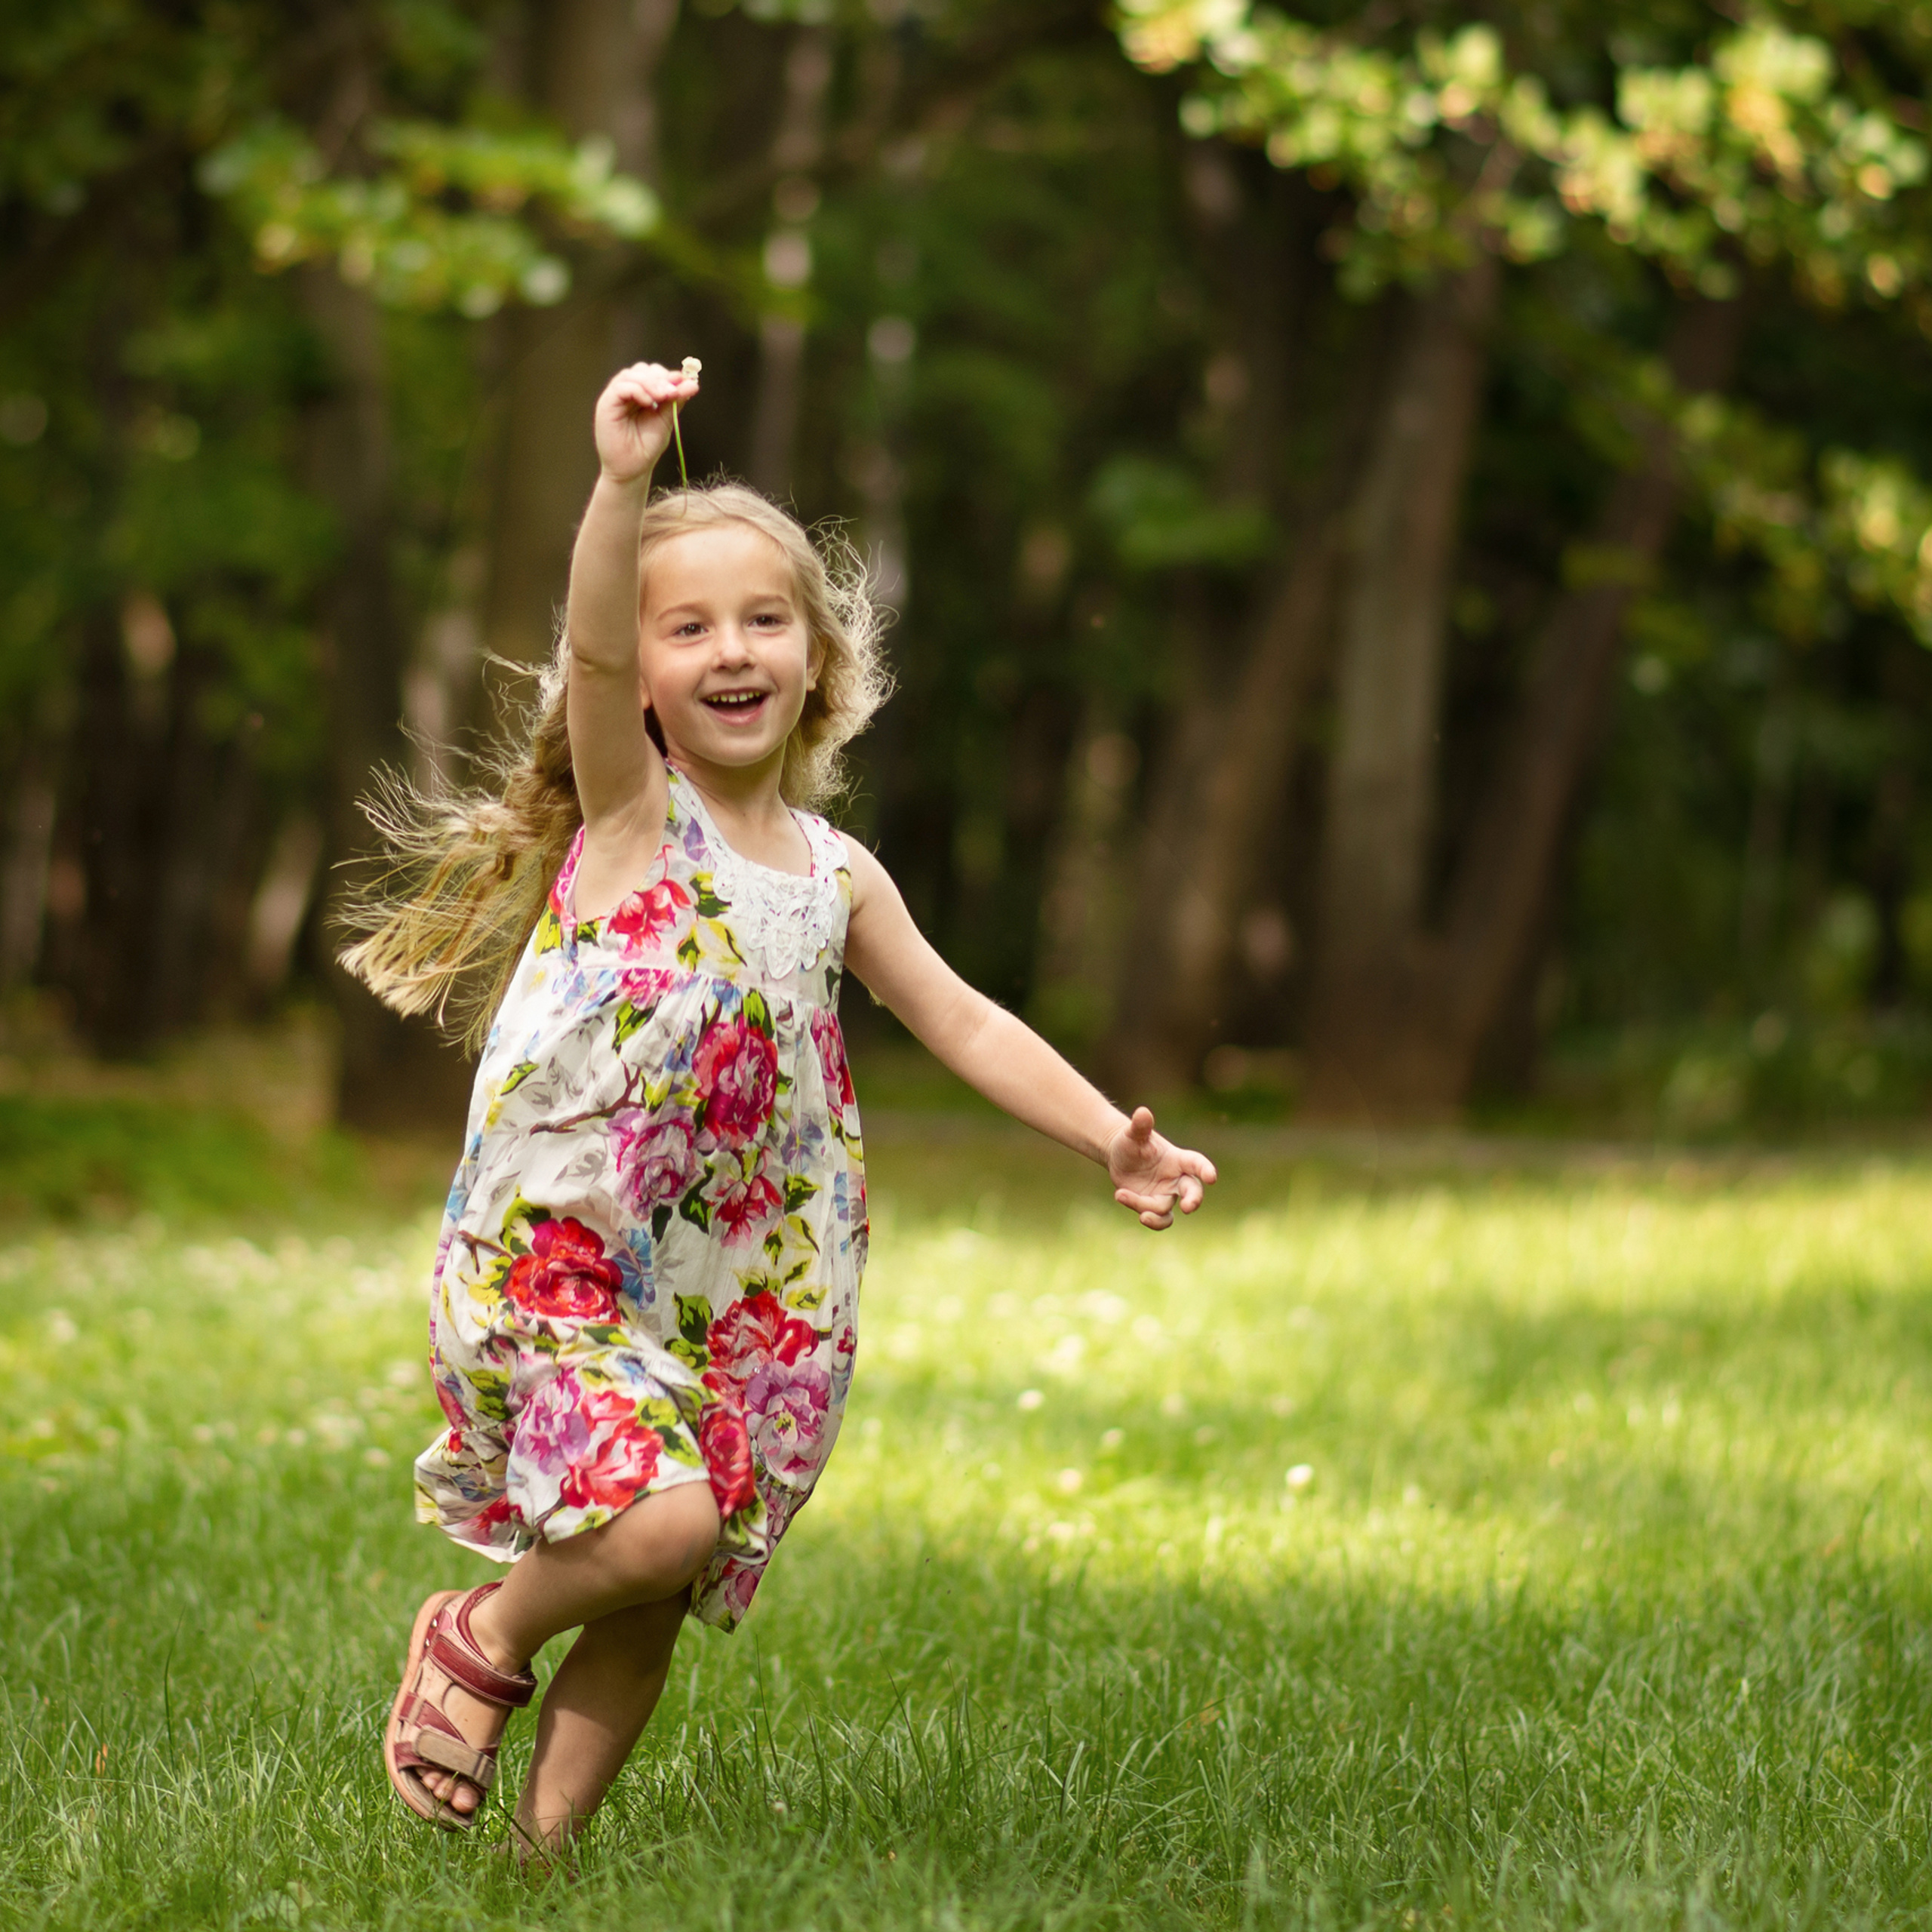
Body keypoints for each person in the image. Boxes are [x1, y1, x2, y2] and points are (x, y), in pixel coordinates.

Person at [346, 358, 1217, 1857]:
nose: (731, 650)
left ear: (818, 658)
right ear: (639, 671)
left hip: (742, 1292)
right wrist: (621, 482)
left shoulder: (834, 871)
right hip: (567, 1258)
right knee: (661, 1520)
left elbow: (960, 1015)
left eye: (764, 621)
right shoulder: (635, 813)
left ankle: (536, 1863)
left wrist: (1107, 1139)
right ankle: (478, 1634)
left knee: (655, 1582)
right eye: (686, 627)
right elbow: (589, 647)